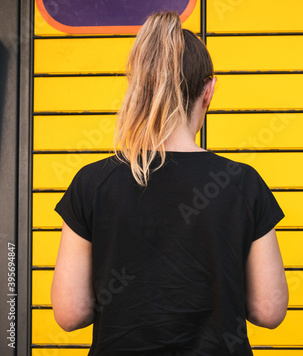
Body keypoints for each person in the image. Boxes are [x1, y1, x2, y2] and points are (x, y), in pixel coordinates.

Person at [50, 10, 288, 356]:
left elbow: (70, 314)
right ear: (209, 90)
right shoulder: (242, 183)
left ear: (138, 87)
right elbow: (269, 310)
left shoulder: (92, 183)